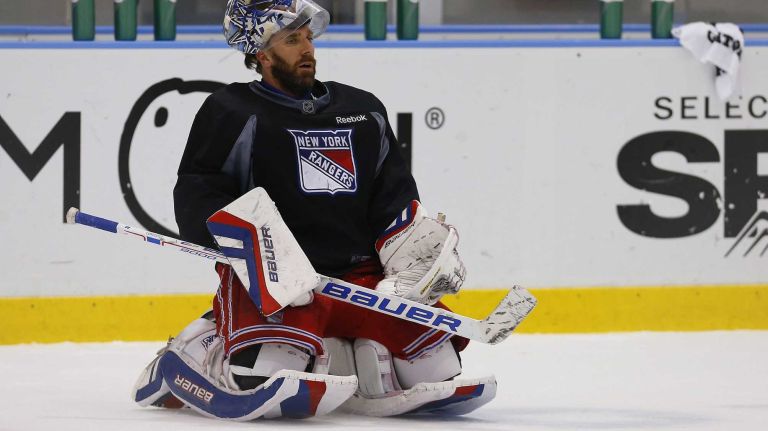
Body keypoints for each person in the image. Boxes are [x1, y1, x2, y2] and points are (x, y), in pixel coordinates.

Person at [131, 0, 470, 419]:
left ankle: (357, 358)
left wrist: (414, 255)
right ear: (261, 52)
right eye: (292, 40)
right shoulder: (232, 111)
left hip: (360, 278)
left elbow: (393, 197)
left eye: (308, 37)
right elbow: (199, 197)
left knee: (437, 369)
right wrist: (261, 255)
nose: (307, 48)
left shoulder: (362, 111)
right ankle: (196, 351)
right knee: (269, 372)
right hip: (277, 284)